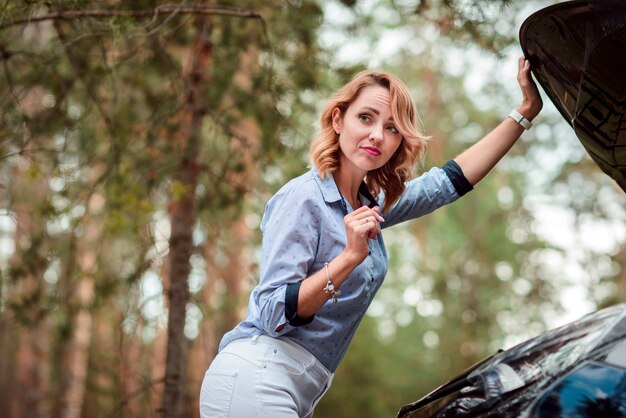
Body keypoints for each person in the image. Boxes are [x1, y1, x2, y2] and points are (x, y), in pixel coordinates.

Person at [199, 56, 542, 418]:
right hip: (257, 375)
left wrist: (525, 112)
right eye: (366, 118)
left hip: (298, 387)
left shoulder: (371, 206)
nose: (378, 135)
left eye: (392, 128)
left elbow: (448, 183)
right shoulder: (303, 197)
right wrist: (348, 258)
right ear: (338, 119)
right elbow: (271, 311)